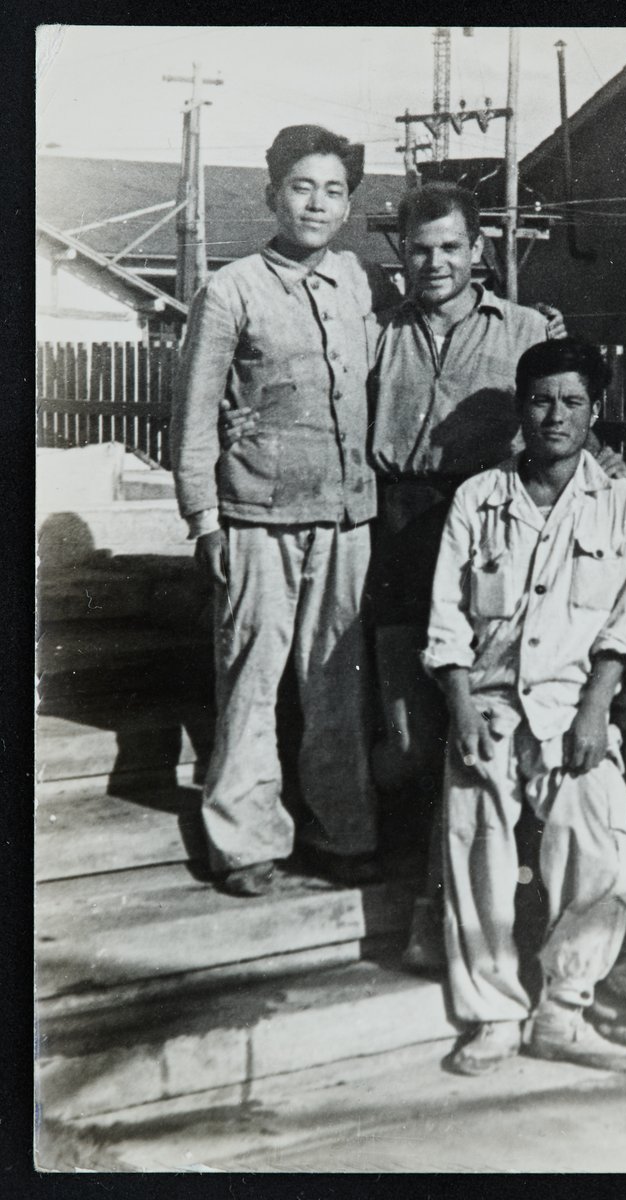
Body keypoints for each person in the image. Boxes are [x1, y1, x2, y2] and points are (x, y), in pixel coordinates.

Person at [364, 184, 626, 966]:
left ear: (477, 249)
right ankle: (417, 892)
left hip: (491, 535)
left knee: (483, 730)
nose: (435, 262)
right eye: (420, 249)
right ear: (402, 254)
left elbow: (567, 417)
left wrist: (607, 466)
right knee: (409, 734)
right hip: (399, 528)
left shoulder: (527, 329)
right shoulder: (377, 333)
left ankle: (447, 917)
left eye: (451, 246)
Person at [170, 125, 399, 896]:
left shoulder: (360, 282)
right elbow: (195, 415)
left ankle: (343, 832)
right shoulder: (231, 290)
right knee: (252, 677)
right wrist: (204, 519)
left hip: (346, 518)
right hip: (256, 518)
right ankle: (244, 842)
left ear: (349, 205)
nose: (317, 203)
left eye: (334, 190)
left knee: (338, 683)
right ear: (273, 194)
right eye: (302, 187)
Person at [422, 338, 626, 1075]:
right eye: (542, 401)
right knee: (476, 849)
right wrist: (460, 708)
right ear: (522, 409)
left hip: (569, 708)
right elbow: (447, 621)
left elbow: (622, 622)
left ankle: (563, 1011)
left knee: (605, 852)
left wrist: (595, 710)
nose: (556, 416)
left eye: (572, 401)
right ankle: (492, 1015)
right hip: (486, 706)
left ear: (595, 411)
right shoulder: (478, 500)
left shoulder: (624, 504)